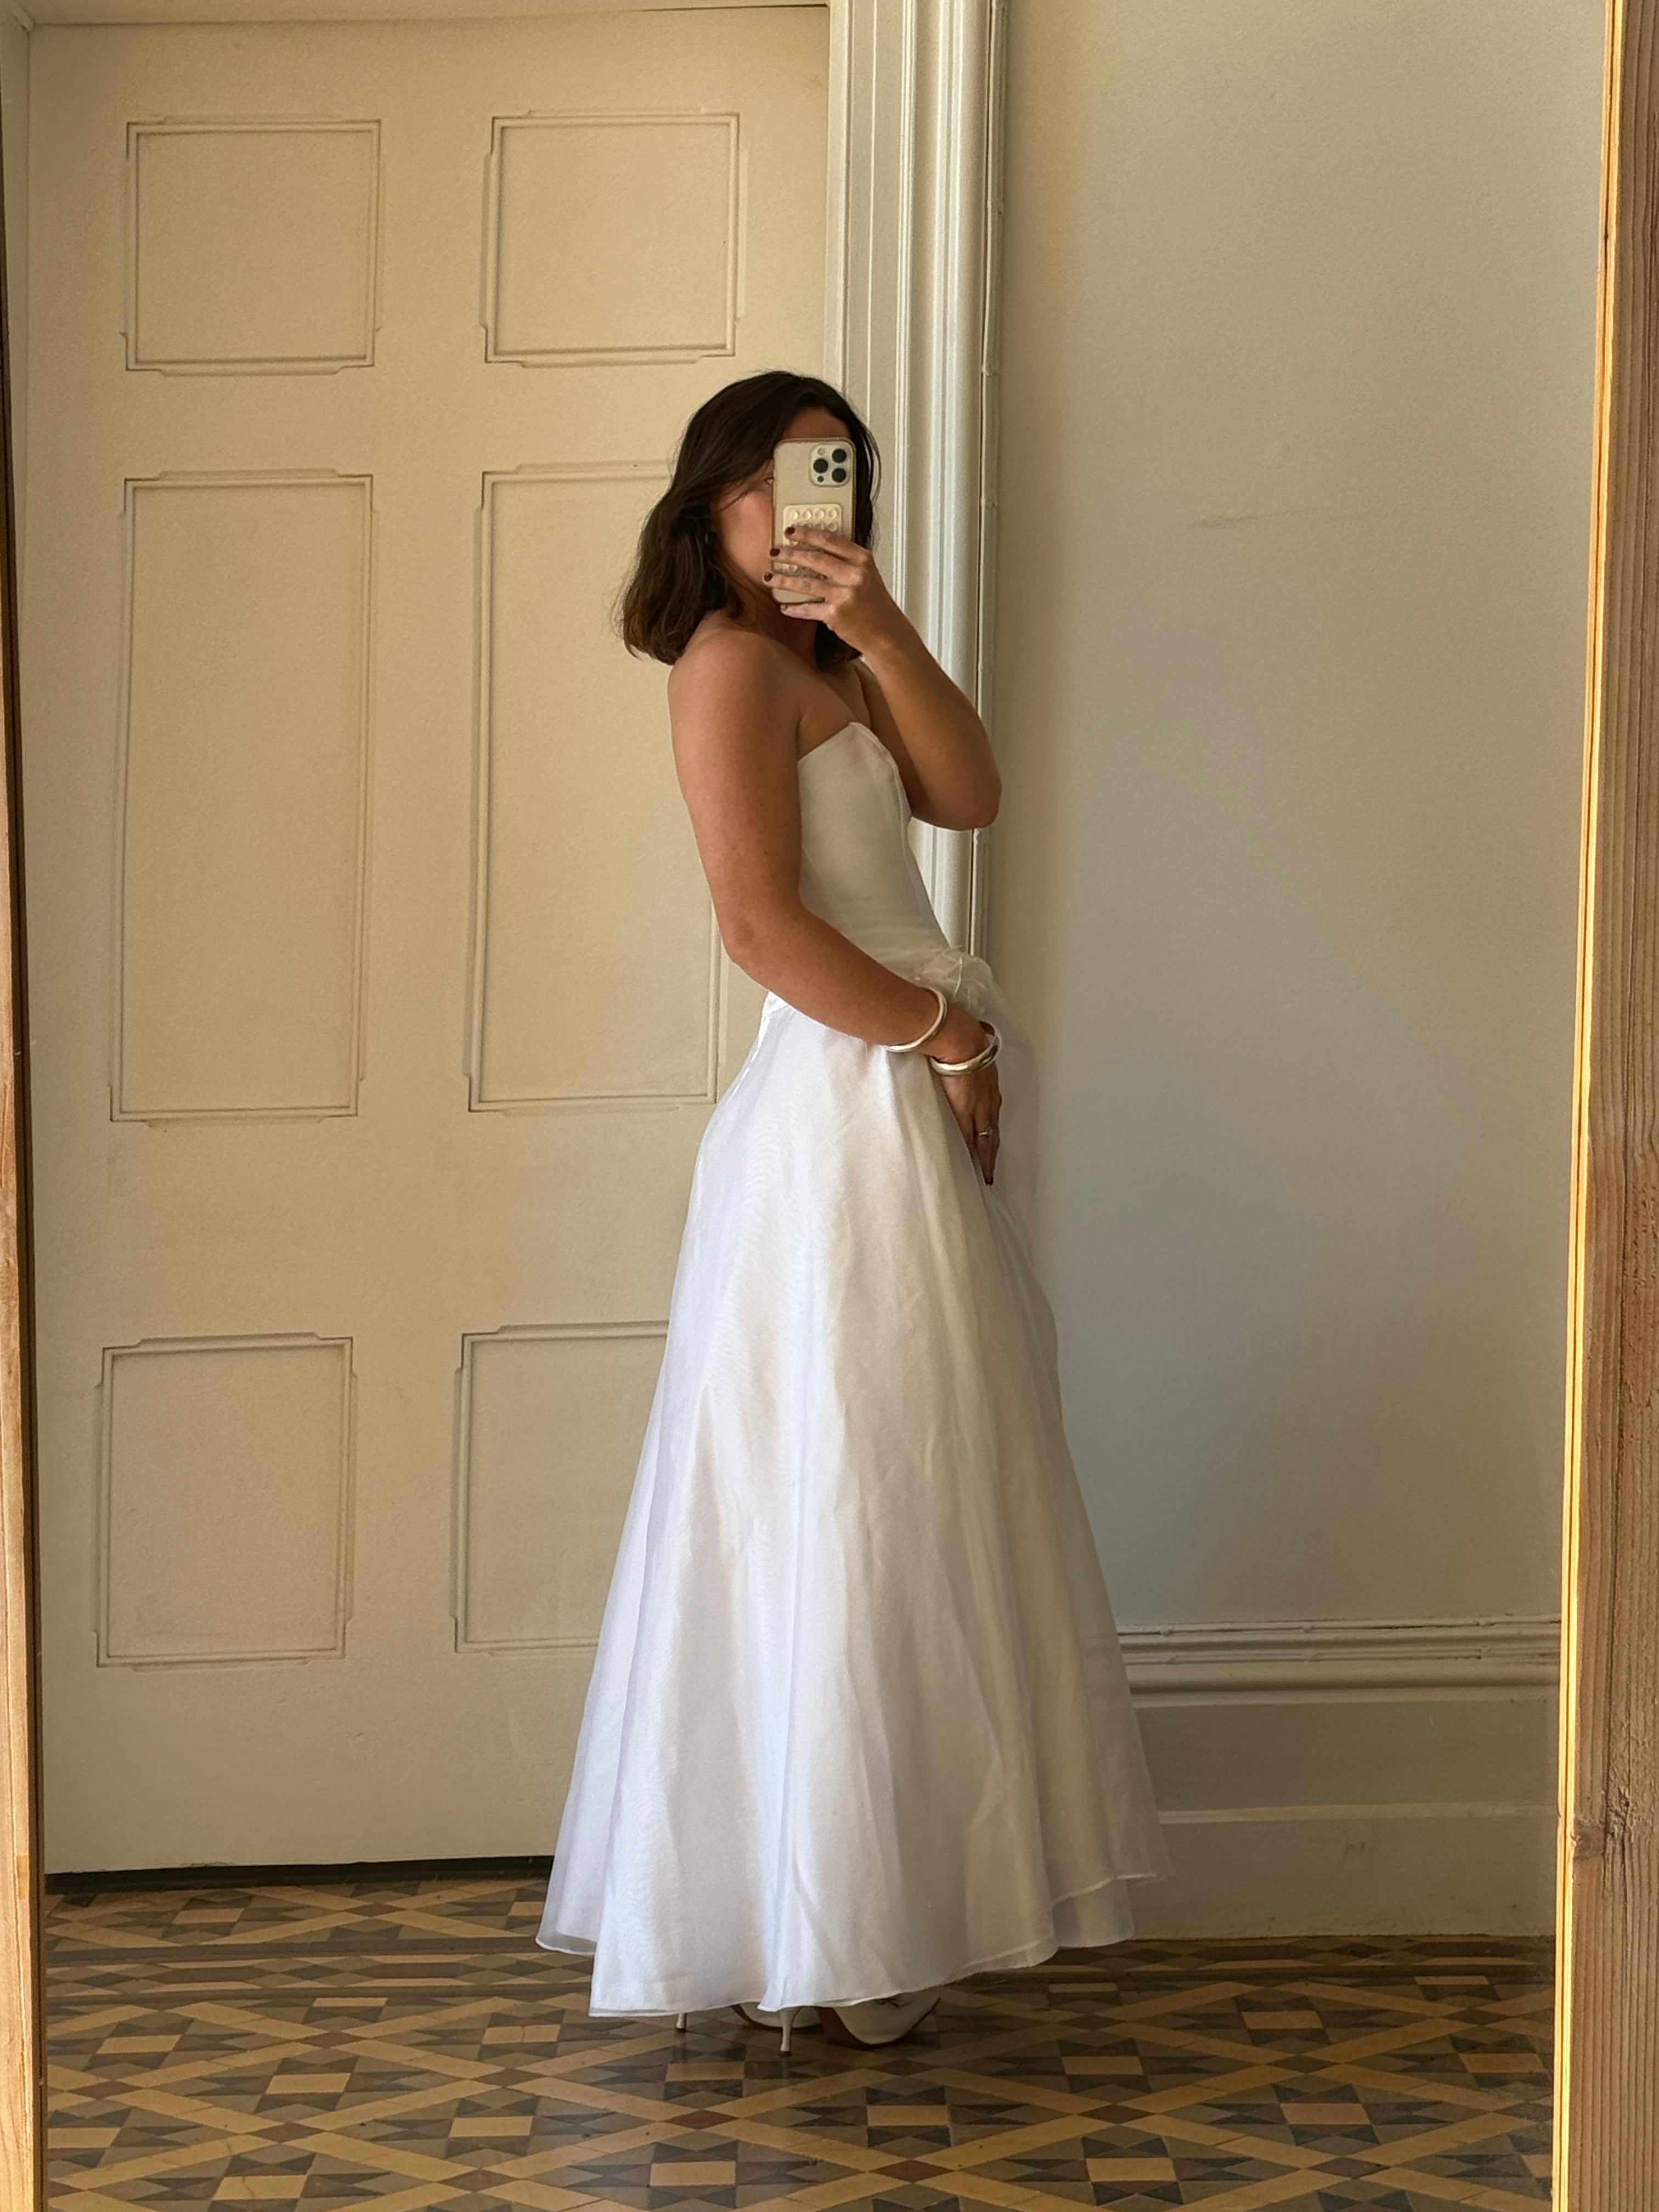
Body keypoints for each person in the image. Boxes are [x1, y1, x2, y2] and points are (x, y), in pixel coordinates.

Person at [535, 368, 1173, 2052]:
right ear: (712, 499)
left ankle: (867, 1907)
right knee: (847, 1496)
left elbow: (971, 794)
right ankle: (825, 1923)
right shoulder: (724, 664)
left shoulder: (824, 663)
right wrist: (945, 1033)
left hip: (888, 1095)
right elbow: (759, 927)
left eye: (834, 479)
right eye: (776, 479)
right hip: (841, 1111)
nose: (805, 509)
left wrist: (880, 627)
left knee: (905, 1497)